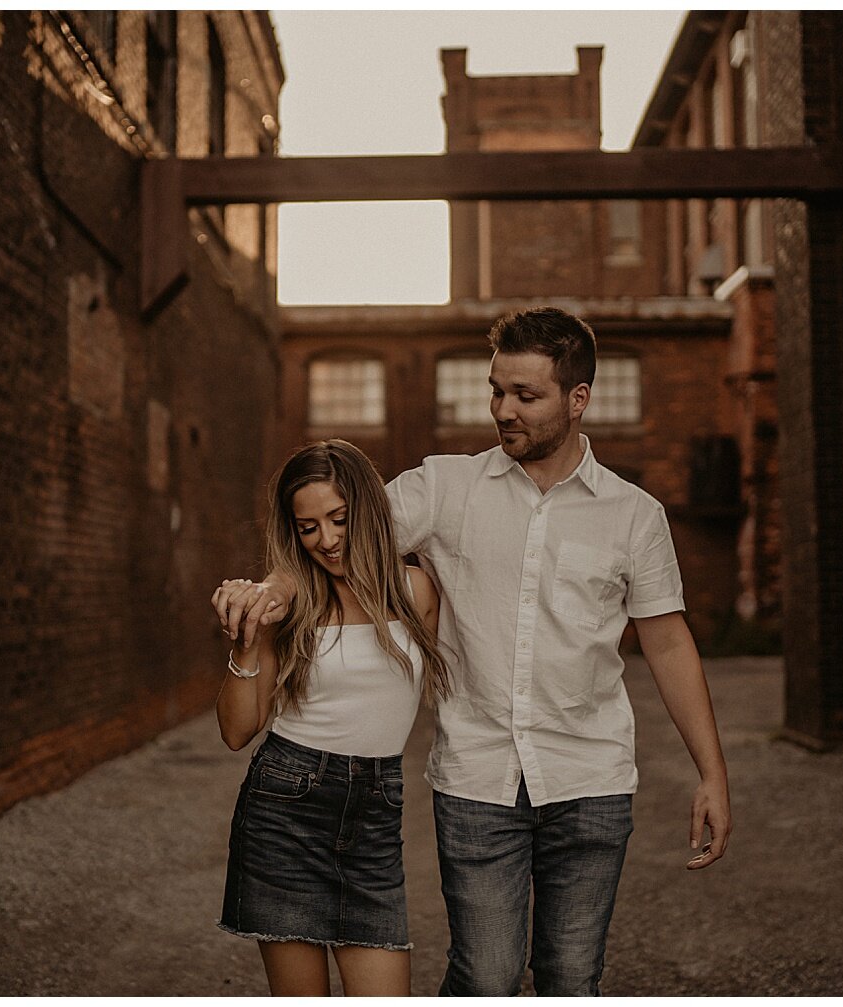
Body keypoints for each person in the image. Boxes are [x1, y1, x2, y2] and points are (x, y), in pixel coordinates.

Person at [218, 306, 732, 996]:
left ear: (578, 399)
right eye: (496, 390)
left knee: (572, 975)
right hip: (478, 779)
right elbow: (342, 534)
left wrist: (711, 772)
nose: (502, 409)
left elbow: (668, 641)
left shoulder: (633, 514)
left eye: (525, 395)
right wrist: (272, 591)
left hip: (591, 776)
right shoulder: (444, 487)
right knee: (485, 976)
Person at [213, 439, 452, 997]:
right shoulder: (288, 604)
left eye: (339, 519)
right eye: (308, 527)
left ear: (368, 509)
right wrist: (247, 643)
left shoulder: (416, 591)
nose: (327, 540)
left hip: (374, 818)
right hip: (284, 810)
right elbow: (236, 731)